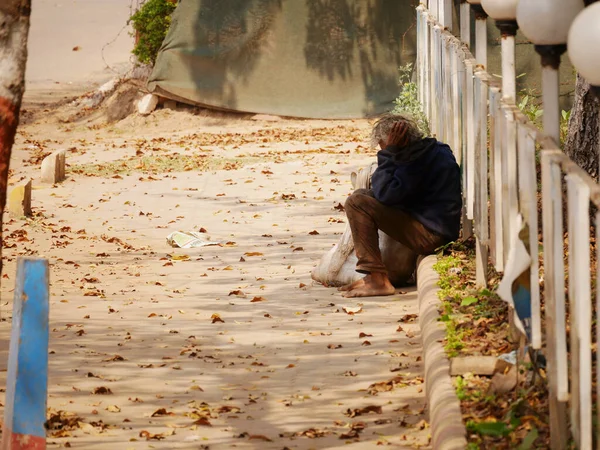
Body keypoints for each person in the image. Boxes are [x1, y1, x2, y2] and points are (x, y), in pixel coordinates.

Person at [339, 114, 462, 298]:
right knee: (362, 196)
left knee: (356, 203)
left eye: (382, 146)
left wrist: (389, 154)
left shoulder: (417, 162)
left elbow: (386, 195)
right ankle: (374, 276)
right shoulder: (432, 150)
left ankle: (377, 280)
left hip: (431, 236)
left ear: (397, 141)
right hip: (435, 228)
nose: (381, 150)